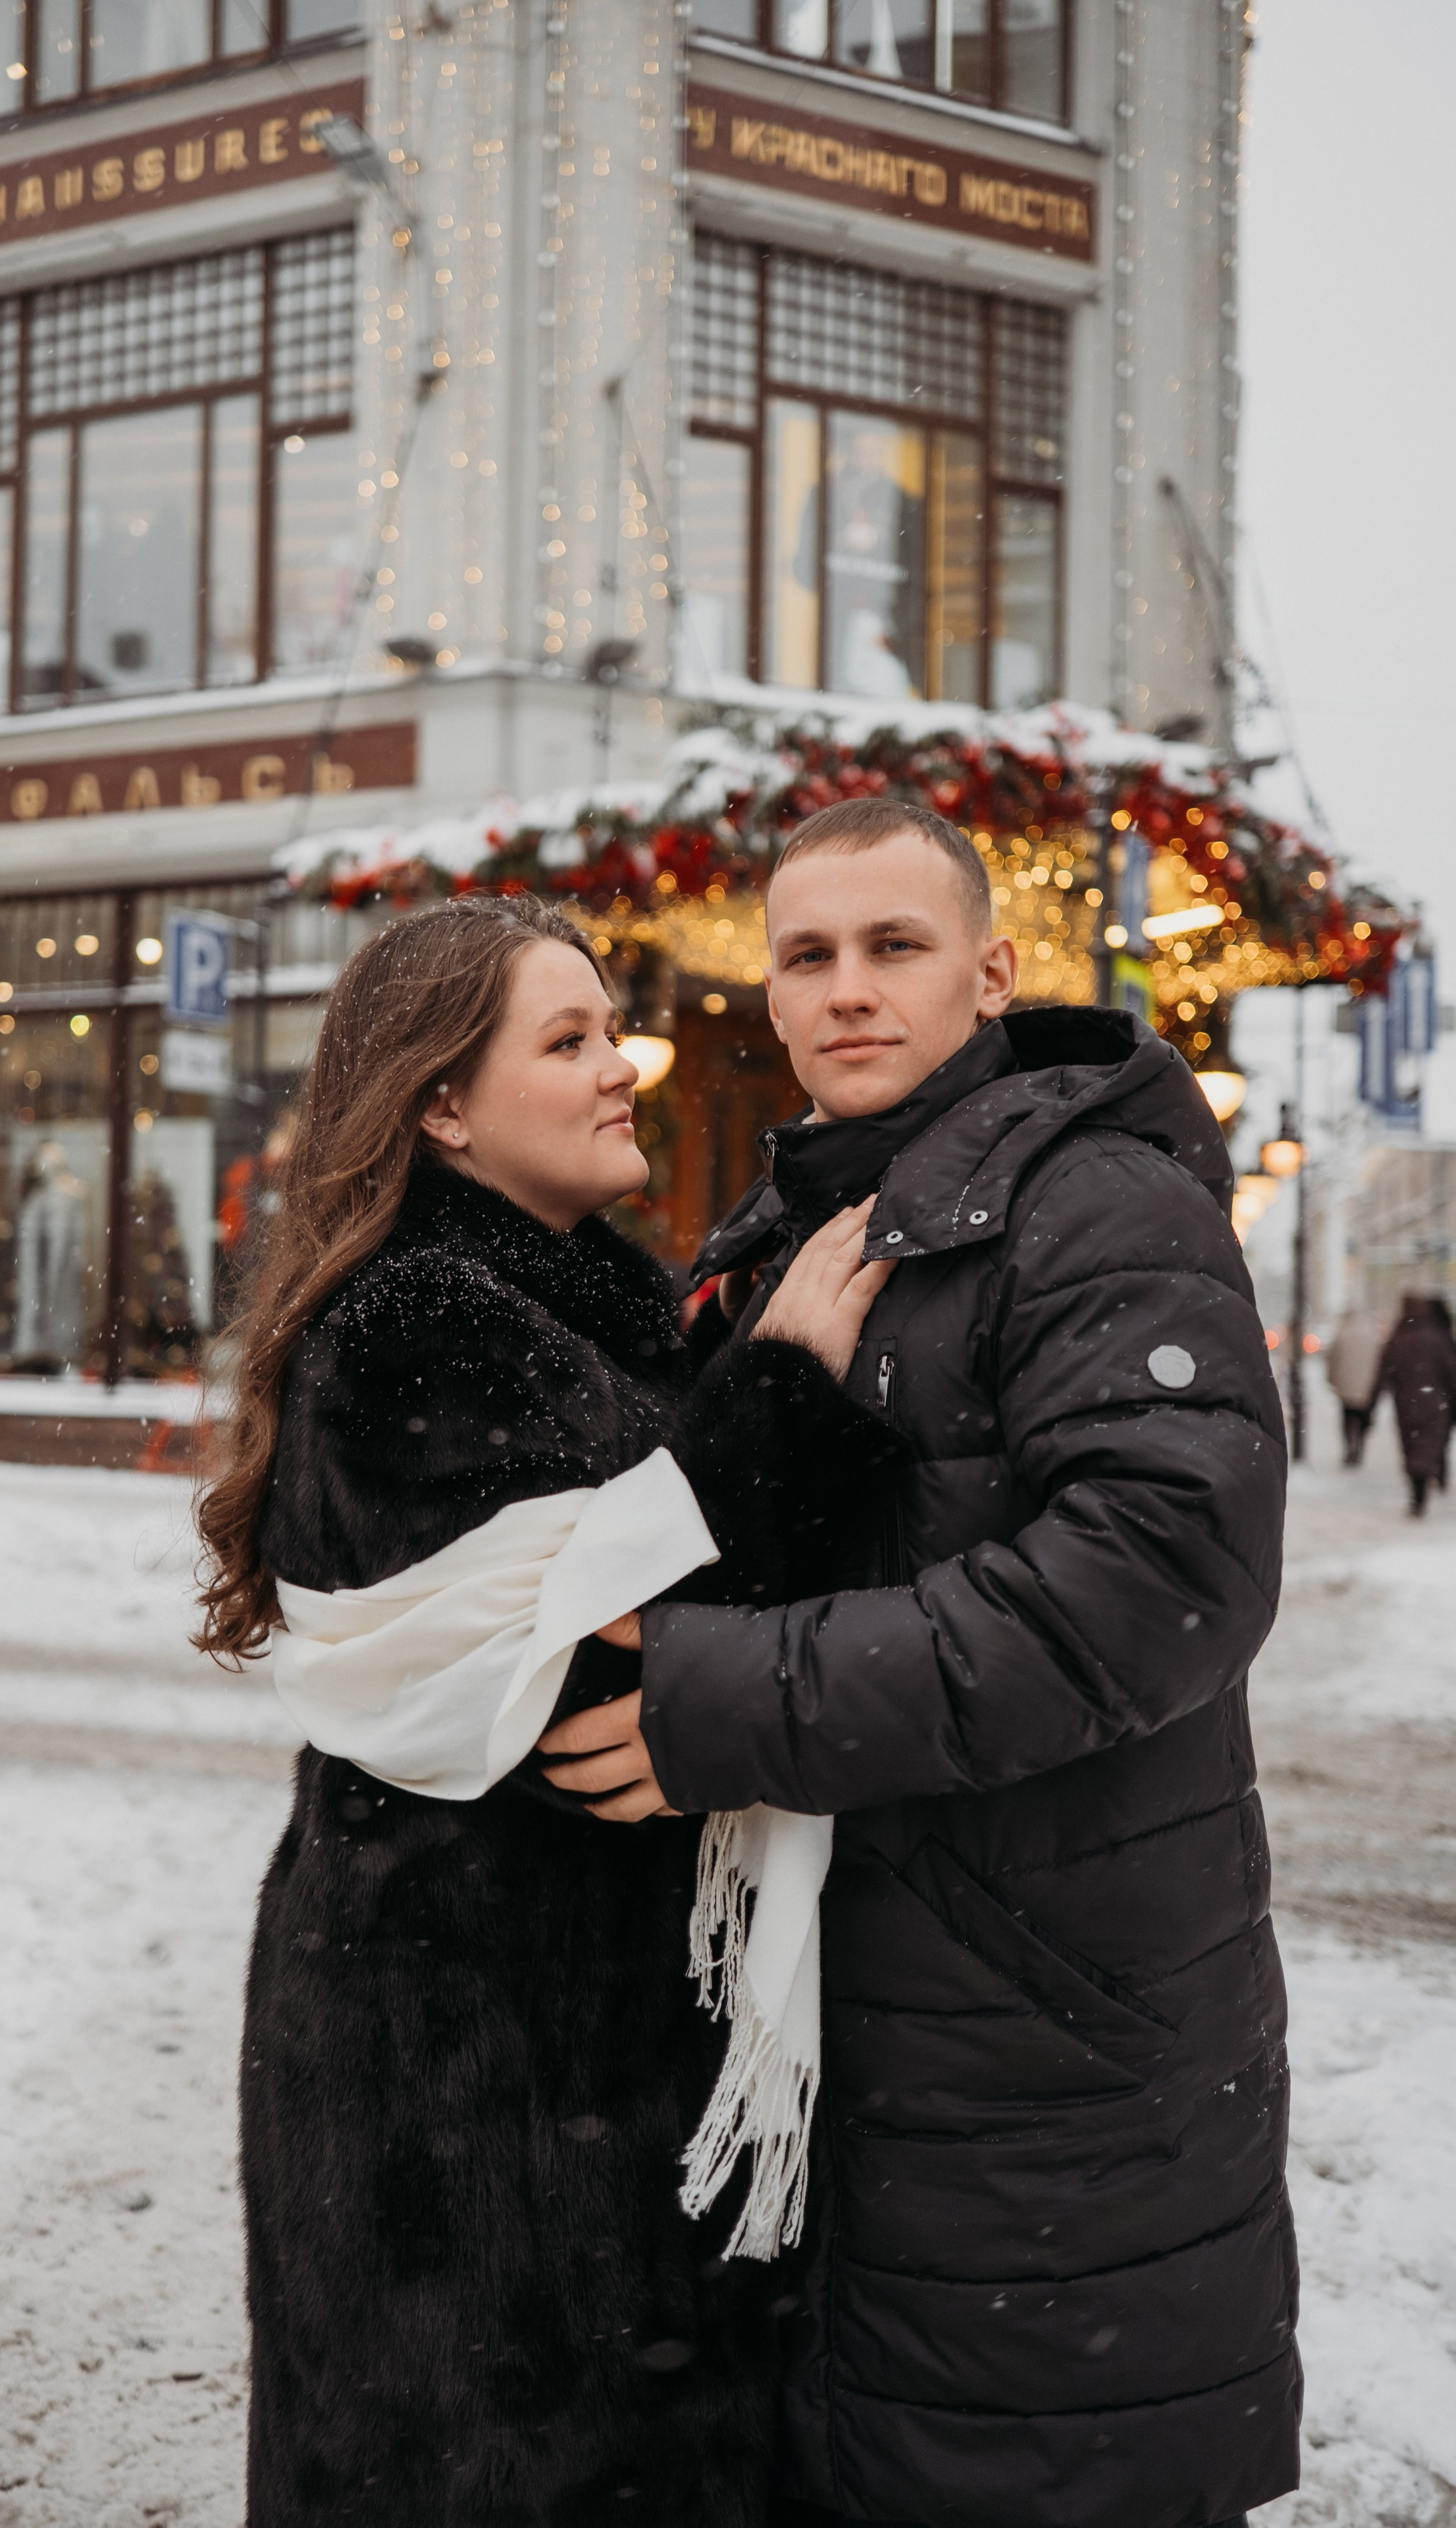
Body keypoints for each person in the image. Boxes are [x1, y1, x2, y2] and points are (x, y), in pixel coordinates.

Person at [544, 801, 1297, 2528]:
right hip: (864, 2028)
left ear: (992, 970)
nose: (848, 990)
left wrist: (728, 1706)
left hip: (1042, 2042)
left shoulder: (1094, 1199)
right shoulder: (784, 1232)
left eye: (895, 947)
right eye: (807, 956)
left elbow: (1163, 1578)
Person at [195, 892, 890, 2528]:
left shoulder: (586, 1305)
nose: (619, 1067)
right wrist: (780, 1394)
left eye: (608, 1029)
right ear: (441, 1103)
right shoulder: (413, 1324)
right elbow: (602, 1675)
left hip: (558, 2077)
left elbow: (669, 1600)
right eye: (565, 1039)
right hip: (474, 2102)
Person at [1369, 1292, 1456, 1515]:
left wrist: (1372, 1403)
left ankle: (1418, 1491)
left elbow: (1383, 1372)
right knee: (1431, 1442)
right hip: (1436, 1402)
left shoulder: (1400, 1336)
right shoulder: (1438, 1336)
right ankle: (1429, 1480)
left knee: (1412, 1445)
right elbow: (1451, 1371)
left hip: (1406, 1403)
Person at [1325, 1304, 1383, 1467]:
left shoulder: (1342, 1336)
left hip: (1346, 1386)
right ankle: (1359, 1449)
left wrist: (1332, 1380)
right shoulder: (1374, 1338)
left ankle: (1349, 1448)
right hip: (1368, 1387)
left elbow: (1332, 1360)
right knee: (1363, 1419)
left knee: (1347, 1418)